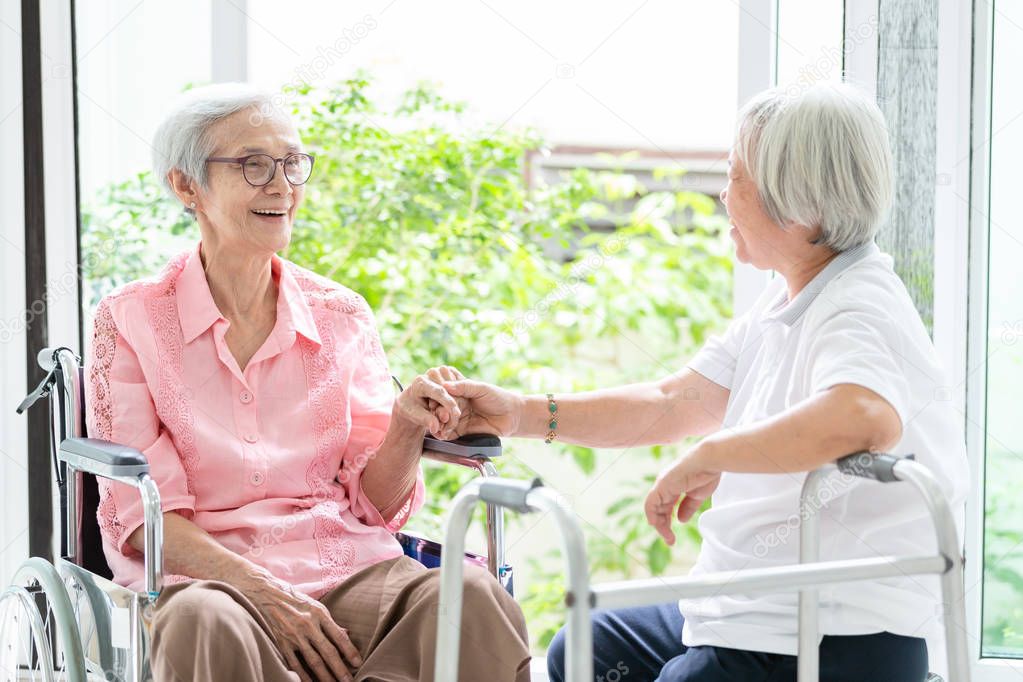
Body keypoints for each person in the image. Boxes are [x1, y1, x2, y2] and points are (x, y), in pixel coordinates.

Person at [430, 83, 969, 682]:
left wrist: (714, 453)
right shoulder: (787, 300)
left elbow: (863, 416)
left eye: (735, 176)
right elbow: (672, 402)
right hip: (753, 608)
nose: (722, 193)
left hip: (833, 632)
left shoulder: (860, 304)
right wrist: (521, 414)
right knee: (585, 645)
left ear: (798, 205)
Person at [85, 83, 529, 682]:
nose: (283, 186)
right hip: (213, 587)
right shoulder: (132, 319)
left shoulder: (340, 314)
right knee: (201, 623)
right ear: (186, 186)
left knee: (469, 599)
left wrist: (403, 427)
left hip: (347, 568)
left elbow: (377, 507)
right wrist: (263, 590)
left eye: (293, 164)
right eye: (254, 165)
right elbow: (141, 515)